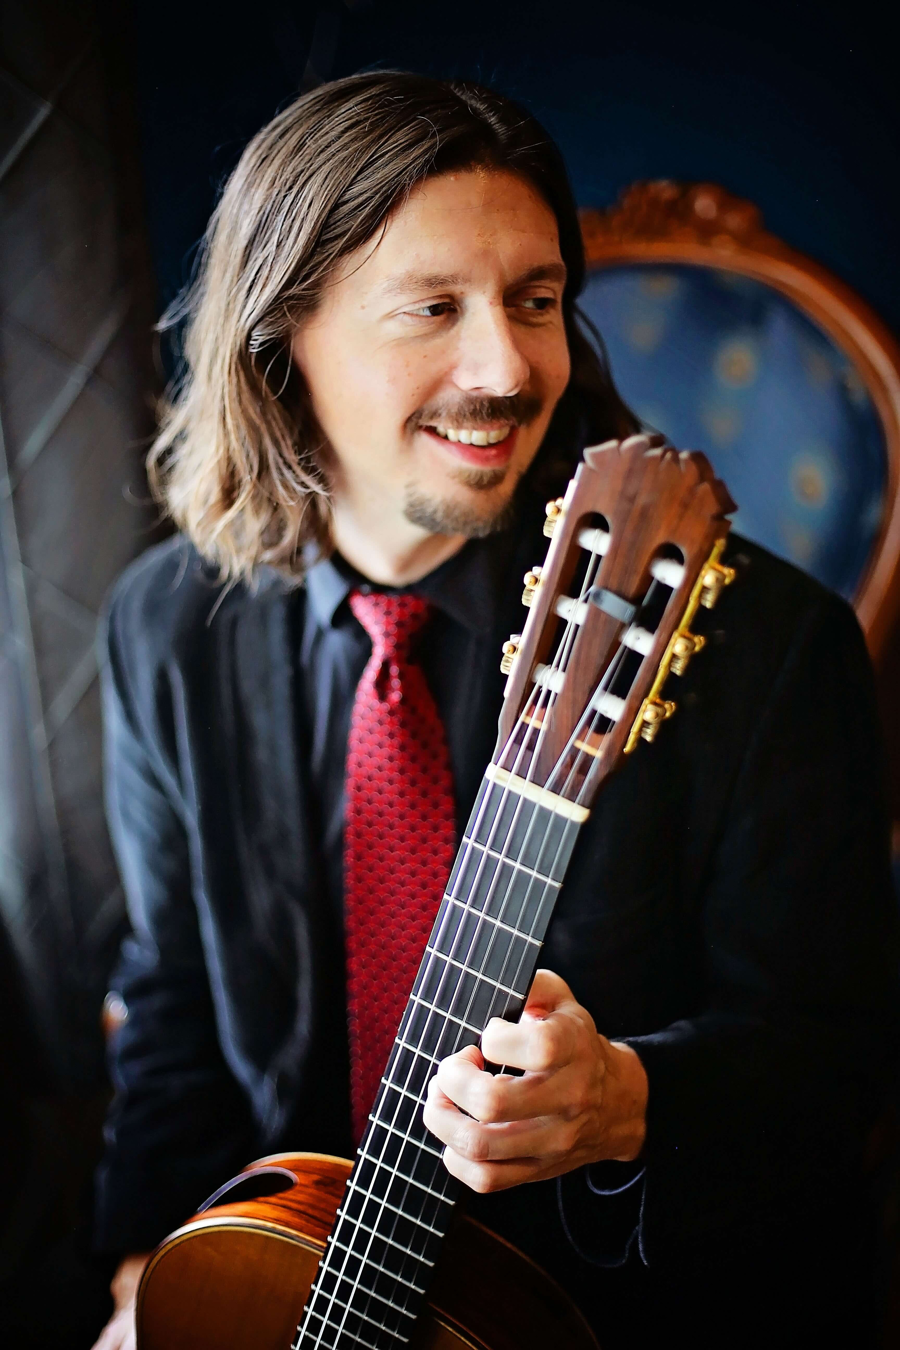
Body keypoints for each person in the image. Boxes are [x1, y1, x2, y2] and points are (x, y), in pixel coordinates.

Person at [91, 72, 898, 1350]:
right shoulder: (164, 628)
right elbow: (175, 1004)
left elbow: (839, 1061)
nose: (510, 366)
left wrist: (628, 1101)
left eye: (534, 300)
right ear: (282, 338)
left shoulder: (762, 642)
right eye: (433, 308)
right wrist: (146, 1276)